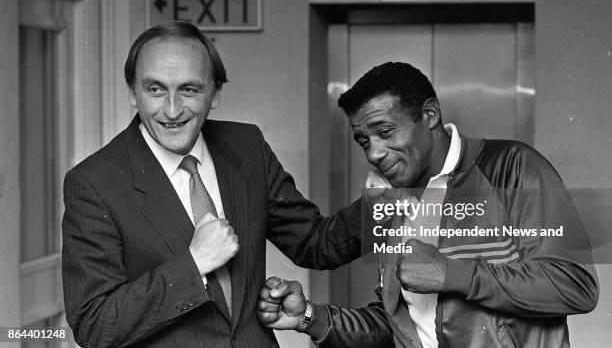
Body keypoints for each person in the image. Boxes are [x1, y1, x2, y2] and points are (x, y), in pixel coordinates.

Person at [61, 21, 364, 348]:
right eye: (155, 89)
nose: (172, 109)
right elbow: (95, 325)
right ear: (132, 92)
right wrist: (193, 265)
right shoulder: (93, 182)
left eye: (189, 89)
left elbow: (315, 243)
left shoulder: (247, 146)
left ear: (215, 93)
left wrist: (394, 199)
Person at [257, 62, 599, 348]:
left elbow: (574, 285)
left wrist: (452, 273)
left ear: (430, 115)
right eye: (364, 140)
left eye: (386, 132)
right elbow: (401, 323)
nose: (374, 152)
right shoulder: (389, 202)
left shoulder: (512, 167)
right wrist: (310, 318)